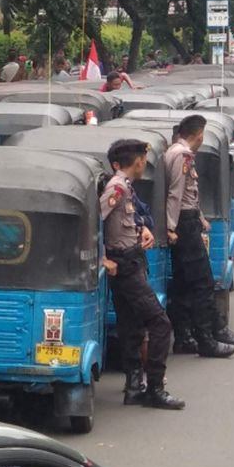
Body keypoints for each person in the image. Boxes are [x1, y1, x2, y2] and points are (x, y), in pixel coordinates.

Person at [99, 140, 187, 409]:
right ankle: (155, 388)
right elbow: (93, 220)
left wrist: (142, 231)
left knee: (131, 325)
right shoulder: (116, 187)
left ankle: (134, 385)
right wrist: (103, 257)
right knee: (160, 323)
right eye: (140, 159)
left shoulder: (126, 188)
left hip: (132, 260)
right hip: (125, 266)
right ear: (133, 162)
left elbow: (126, 221)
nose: (142, 163)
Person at [163, 116, 234, 357]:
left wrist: (199, 217)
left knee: (183, 284)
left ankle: (184, 337)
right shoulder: (182, 155)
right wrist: (171, 226)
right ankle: (208, 338)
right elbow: (176, 193)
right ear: (198, 135)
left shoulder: (176, 152)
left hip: (187, 220)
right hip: (183, 225)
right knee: (203, 282)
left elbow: (188, 194)